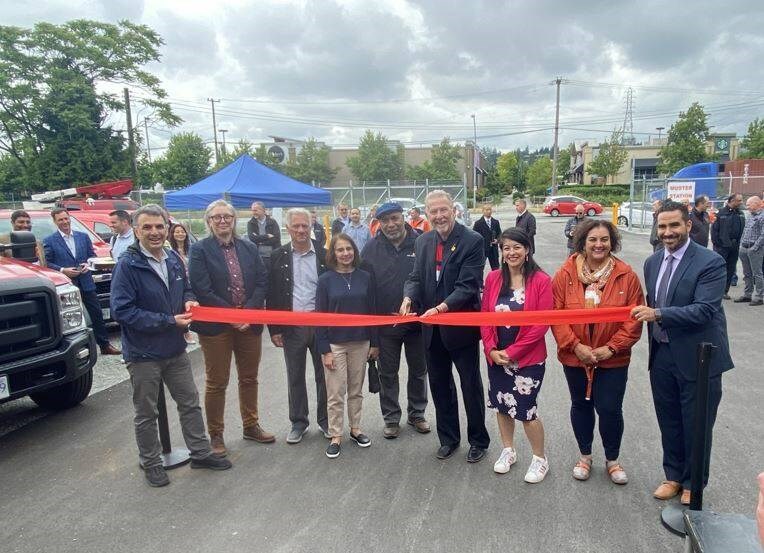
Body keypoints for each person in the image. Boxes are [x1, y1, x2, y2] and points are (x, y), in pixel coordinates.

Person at [110, 204, 231, 487]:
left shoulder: (173, 258)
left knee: (189, 403)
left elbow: (185, 287)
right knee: (146, 413)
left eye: (159, 227)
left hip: (175, 349)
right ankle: (151, 462)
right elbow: (122, 311)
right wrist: (167, 321)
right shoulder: (128, 265)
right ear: (137, 230)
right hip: (143, 353)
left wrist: (189, 300)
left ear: (167, 228)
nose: (155, 232)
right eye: (148, 227)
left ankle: (200, 452)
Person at [632, 200, 733, 505]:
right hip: (662, 354)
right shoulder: (652, 263)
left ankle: (693, 482)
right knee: (670, 419)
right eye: (662, 226)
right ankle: (673, 475)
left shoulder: (710, 262)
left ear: (688, 225)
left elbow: (704, 310)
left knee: (697, 423)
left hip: (698, 358)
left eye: (674, 225)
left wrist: (658, 314)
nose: (668, 232)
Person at [552, 219, 644, 485]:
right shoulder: (565, 274)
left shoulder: (626, 275)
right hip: (575, 356)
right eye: (593, 239)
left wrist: (610, 348)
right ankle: (585, 455)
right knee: (581, 405)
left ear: (612, 243)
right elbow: (555, 315)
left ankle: (613, 460)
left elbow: (634, 319)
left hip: (612, 358)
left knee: (610, 408)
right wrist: (575, 345)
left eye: (604, 239)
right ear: (583, 242)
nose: (598, 244)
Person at [401, 190, 490, 463]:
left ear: (454, 210)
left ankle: (478, 440)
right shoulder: (423, 241)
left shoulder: (473, 240)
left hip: (459, 328)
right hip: (431, 330)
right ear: (426, 215)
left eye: (443, 210)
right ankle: (449, 439)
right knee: (440, 386)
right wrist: (408, 297)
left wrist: (440, 309)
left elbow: (468, 285)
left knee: (470, 385)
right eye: (433, 212)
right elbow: (416, 277)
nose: (439, 216)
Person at [188, 199, 274, 457]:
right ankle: (216, 434)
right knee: (217, 382)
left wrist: (247, 311)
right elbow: (202, 288)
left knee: (249, 378)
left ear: (234, 220)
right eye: (217, 217)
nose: (223, 221)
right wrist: (230, 315)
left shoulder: (248, 247)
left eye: (227, 216)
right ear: (209, 221)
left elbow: (261, 281)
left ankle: (251, 425)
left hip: (249, 323)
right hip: (216, 327)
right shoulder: (200, 250)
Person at [480, 228, 553, 483]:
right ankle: (508, 450)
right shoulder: (493, 279)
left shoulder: (541, 281)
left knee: (526, 410)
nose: (511, 252)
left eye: (516, 247)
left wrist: (512, 352)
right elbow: (485, 318)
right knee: (501, 405)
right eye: (506, 248)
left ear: (527, 250)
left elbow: (541, 324)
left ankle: (539, 458)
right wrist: (490, 349)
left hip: (528, 359)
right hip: (497, 357)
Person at [361, 202, 430, 439]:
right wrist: (371, 332)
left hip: (417, 323)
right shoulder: (370, 248)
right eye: (385, 220)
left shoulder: (422, 241)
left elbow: (429, 278)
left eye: (394, 218)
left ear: (404, 218)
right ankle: (391, 418)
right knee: (387, 374)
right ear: (378, 223)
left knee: (419, 371)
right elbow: (366, 291)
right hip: (385, 325)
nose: (390, 225)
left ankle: (417, 414)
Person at [268, 208, 329, 443]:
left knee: (324, 375)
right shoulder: (277, 256)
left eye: (305, 226)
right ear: (288, 228)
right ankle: (298, 422)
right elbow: (272, 294)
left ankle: (325, 421)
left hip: (320, 324)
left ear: (311, 227)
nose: (301, 230)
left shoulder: (324, 256)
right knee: (295, 375)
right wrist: (274, 328)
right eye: (296, 226)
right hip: (291, 325)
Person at [316, 233, 379, 459]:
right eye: (340, 250)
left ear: (355, 251)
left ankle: (355, 428)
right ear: (333, 254)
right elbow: (320, 316)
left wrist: (375, 342)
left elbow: (373, 311)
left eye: (348, 249)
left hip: (361, 342)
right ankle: (335, 435)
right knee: (335, 392)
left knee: (355, 389)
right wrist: (324, 349)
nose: (345, 254)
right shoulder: (325, 280)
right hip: (335, 344)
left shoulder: (365, 277)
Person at [43, 207, 120, 355]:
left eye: (66, 218)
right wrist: (62, 270)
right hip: (67, 285)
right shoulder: (50, 241)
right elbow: (48, 263)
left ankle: (104, 345)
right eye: (61, 220)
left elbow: (91, 255)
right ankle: (74, 350)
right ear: (55, 221)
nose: (65, 222)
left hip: (86, 281)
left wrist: (87, 264)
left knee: (96, 313)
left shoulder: (83, 236)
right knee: (69, 318)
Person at [711, 193, 745, 298]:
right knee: (719, 269)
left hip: (735, 247)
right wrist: (718, 244)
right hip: (722, 247)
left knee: (730, 269)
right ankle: (715, 291)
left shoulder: (740, 213)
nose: (741, 202)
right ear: (732, 201)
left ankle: (725, 291)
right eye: (739, 200)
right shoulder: (721, 213)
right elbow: (714, 231)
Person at [168, 222, 195, 345]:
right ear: (172, 234)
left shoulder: (192, 249)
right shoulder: (170, 252)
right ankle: (186, 332)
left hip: (193, 281)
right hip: (180, 281)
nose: (180, 234)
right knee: (181, 307)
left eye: (182, 231)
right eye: (177, 232)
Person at [734, 196, 764, 306]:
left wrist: (754, 247)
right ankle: (747, 294)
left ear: (756, 203)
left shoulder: (762, 216)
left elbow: (763, 235)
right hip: (744, 248)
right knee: (747, 273)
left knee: (757, 273)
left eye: (748, 204)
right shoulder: (750, 216)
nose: (747, 207)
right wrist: (742, 244)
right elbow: (745, 231)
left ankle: (759, 297)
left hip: (754, 249)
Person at [246, 201, 281, 270]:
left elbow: (276, 238)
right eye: (252, 210)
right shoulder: (250, 223)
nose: (253, 212)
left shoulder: (272, 222)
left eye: (255, 210)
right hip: (258, 257)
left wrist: (261, 242)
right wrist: (267, 236)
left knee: (273, 277)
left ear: (263, 210)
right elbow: (252, 238)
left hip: (273, 256)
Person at [473, 203, 502, 270]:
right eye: (487, 210)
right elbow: (474, 237)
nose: (489, 211)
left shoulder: (496, 222)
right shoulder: (478, 223)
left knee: (496, 269)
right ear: (483, 211)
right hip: (483, 250)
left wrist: (497, 240)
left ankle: (496, 280)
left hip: (493, 250)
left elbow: (500, 234)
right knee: (479, 268)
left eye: (490, 209)